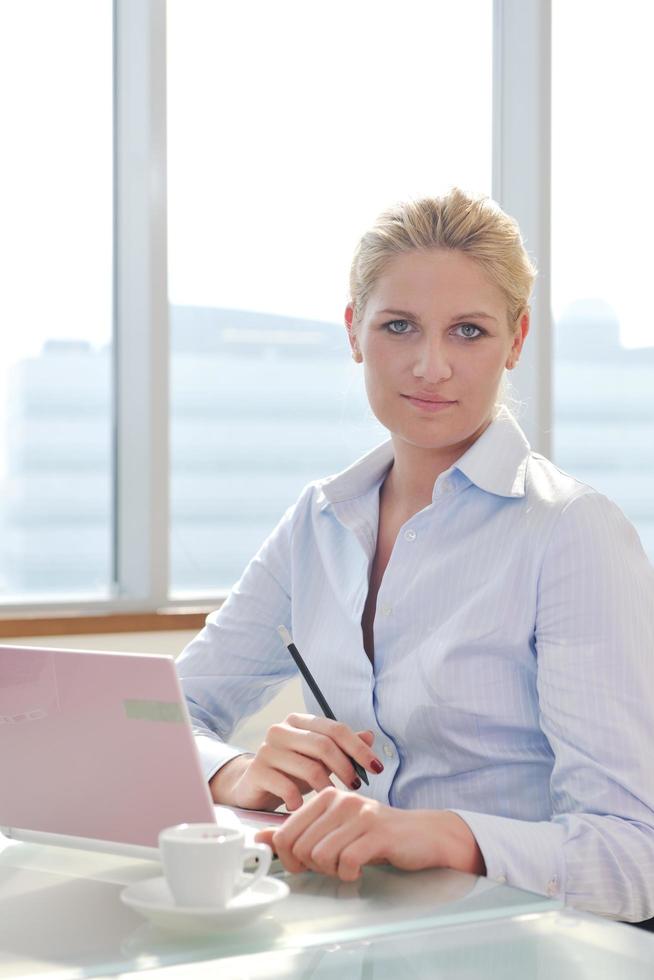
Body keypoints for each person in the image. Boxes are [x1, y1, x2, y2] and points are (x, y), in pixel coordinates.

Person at [176, 187, 654, 922]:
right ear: (354, 332)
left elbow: (633, 856)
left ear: (517, 340)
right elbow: (160, 715)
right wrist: (234, 771)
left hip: (519, 951)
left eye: (469, 331)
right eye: (399, 326)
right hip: (349, 930)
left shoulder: (572, 533)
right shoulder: (318, 521)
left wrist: (442, 836)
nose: (432, 367)